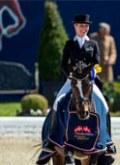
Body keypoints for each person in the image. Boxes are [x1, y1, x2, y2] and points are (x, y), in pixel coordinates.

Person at [42, 14, 115, 153]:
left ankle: (107, 140)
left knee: (104, 106)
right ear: (75, 26)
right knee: (57, 103)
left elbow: (96, 62)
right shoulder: (69, 44)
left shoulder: (93, 44)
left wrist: (92, 72)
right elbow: (63, 64)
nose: (84, 28)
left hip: (88, 82)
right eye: (81, 25)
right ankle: (52, 139)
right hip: (72, 81)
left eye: (86, 26)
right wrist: (70, 75)